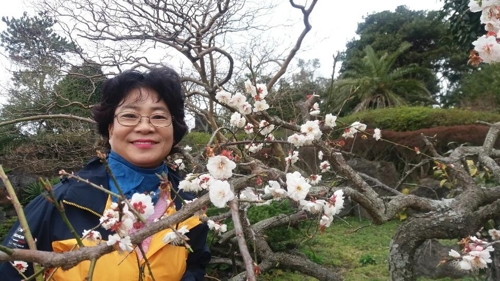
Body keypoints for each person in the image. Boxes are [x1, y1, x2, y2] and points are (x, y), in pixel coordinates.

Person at [0, 67, 210, 280]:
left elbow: (195, 265)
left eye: (158, 116)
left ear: (174, 130)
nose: (145, 126)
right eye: (129, 115)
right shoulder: (61, 202)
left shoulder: (189, 203)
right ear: (110, 128)